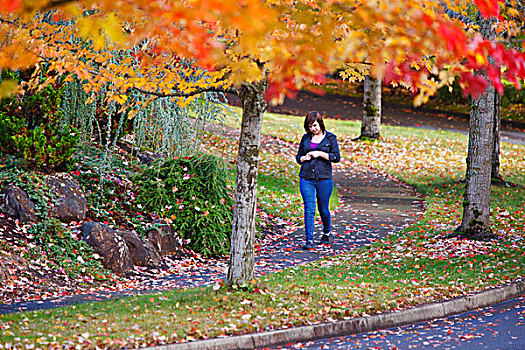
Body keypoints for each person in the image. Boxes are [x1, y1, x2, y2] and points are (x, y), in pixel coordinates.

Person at [296, 111, 340, 250]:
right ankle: (309, 240)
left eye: (314, 125)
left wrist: (320, 154)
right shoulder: (305, 138)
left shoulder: (330, 138)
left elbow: (336, 157)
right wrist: (303, 158)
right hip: (306, 177)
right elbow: (298, 157)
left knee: (323, 209)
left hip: (324, 178)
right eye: (310, 127)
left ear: (320, 123)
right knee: (309, 208)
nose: (313, 129)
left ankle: (326, 232)